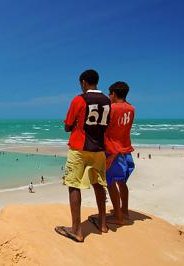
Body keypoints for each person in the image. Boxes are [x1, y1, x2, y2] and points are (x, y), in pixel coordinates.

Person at [55, 69, 110, 243]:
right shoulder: (108, 101)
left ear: (84, 82)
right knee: (99, 183)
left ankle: (76, 230)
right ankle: (102, 224)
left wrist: (71, 125)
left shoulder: (79, 99)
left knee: (73, 185)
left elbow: (68, 125)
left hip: (79, 147)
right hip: (99, 149)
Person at [104, 81, 135, 225]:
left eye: (110, 93)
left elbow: (108, 131)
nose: (109, 96)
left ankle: (118, 217)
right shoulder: (131, 108)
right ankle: (124, 211)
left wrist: (111, 155)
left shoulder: (111, 108)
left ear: (114, 94)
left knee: (110, 182)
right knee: (121, 182)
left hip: (113, 150)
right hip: (125, 148)